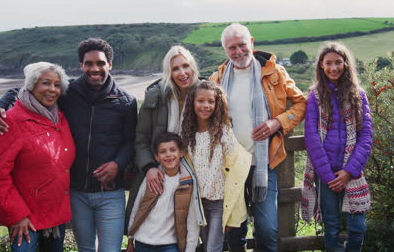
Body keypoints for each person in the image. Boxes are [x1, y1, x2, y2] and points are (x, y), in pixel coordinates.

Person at [0, 38, 138, 252]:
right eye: (88, 63)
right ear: (81, 66)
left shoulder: (126, 101)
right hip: (76, 191)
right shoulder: (68, 92)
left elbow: (130, 140)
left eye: (100, 63)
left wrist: (118, 163)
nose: (94, 68)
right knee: (85, 248)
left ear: (110, 65)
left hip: (110, 192)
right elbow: (23, 90)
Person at [210, 23, 306, 252]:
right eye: (231, 48)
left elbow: (302, 103)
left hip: (263, 163)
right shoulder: (217, 78)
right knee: (234, 230)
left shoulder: (275, 72)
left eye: (241, 45)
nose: (238, 51)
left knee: (267, 230)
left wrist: (277, 122)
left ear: (251, 42)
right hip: (229, 165)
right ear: (225, 50)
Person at [0, 62, 75, 251]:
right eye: (45, 83)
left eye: (57, 85)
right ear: (31, 85)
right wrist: (17, 215)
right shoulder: (10, 120)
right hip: (25, 219)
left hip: (55, 214)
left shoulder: (60, 117)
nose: (52, 89)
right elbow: (0, 175)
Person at [301, 42, 372, 252]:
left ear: (346, 64)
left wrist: (349, 172)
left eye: (338, 62)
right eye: (328, 63)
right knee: (331, 227)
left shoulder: (359, 95)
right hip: (326, 177)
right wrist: (328, 176)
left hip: (352, 173)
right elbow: (312, 138)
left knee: (357, 227)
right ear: (321, 66)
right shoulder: (314, 97)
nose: (334, 68)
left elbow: (366, 136)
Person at [181, 81, 251, 252]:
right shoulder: (187, 133)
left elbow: (237, 169)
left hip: (219, 202)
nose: (205, 106)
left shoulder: (223, 132)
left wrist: (231, 213)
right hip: (198, 202)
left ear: (217, 104)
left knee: (213, 247)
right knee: (205, 244)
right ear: (192, 102)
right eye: (201, 101)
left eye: (210, 102)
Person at [132, 45, 200, 195]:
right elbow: (141, 138)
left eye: (185, 66)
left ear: (193, 67)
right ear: (169, 72)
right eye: (175, 69)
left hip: (197, 174)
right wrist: (149, 167)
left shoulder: (205, 95)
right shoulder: (155, 97)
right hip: (160, 173)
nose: (182, 73)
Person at [127, 132, 203, 252]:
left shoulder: (187, 183)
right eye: (163, 152)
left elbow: (192, 223)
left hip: (170, 244)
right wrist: (130, 239)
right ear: (157, 157)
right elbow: (138, 207)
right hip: (143, 242)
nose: (168, 155)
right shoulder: (152, 178)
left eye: (172, 150)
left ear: (181, 153)